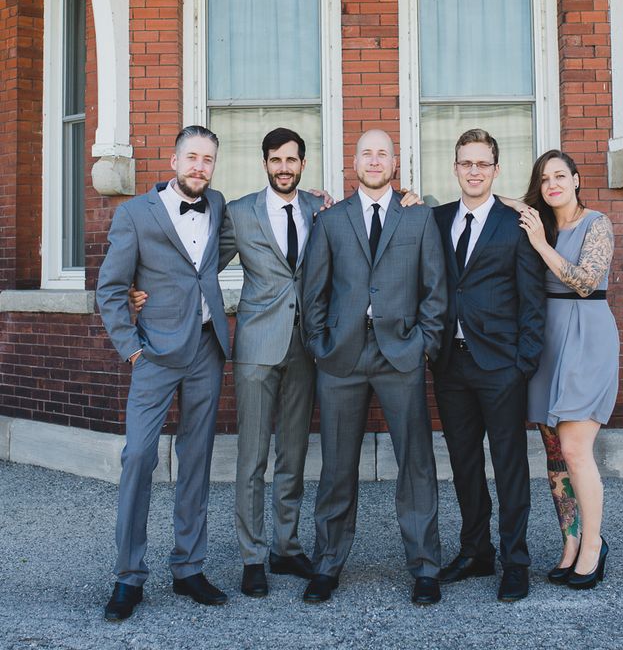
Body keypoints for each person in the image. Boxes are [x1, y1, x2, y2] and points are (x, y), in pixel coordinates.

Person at [301, 129, 447, 606]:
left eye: (383, 153)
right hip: (341, 356)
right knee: (337, 466)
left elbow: (434, 289)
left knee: (416, 464)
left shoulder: (419, 218)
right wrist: (320, 345)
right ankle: (327, 565)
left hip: (400, 353)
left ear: (394, 162)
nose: (374, 160)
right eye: (366, 153)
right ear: (355, 162)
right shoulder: (331, 220)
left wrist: (425, 343)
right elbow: (314, 292)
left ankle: (425, 567)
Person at [96, 126, 231, 622]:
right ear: (174, 161)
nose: (199, 166)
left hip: (206, 351)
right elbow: (110, 288)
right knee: (138, 457)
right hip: (153, 353)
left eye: (208, 159)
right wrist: (132, 349)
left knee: (197, 459)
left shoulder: (218, 205)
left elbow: (242, 242)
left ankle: (188, 567)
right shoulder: (135, 213)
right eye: (191, 157)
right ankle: (128, 575)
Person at [432, 128, 546, 603]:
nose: (474, 171)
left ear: (496, 170)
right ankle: (476, 550)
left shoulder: (515, 223)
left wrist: (524, 362)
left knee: (509, 465)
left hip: (501, 366)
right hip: (449, 365)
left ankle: (515, 561)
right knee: (463, 464)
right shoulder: (435, 221)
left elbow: (532, 299)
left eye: (483, 163)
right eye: (466, 163)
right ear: (455, 168)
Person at [217, 127, 323, 598]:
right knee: (253, 456)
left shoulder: (320, 210)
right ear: (265, 163)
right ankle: (252, 555)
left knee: (294, 454)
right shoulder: (239, 213)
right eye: (276, 160)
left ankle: (286, 545)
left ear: (302, 164)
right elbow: (199, 264)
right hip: (257, 347)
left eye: (292, 160)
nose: (284, 167)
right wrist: (146, 288)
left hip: (306, 348)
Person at [518, 149, 619, 590]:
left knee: (576, 450)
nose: (552, 184)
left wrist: (541, 244)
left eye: (560, 175)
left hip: (587, 337)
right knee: (555, 456)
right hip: (547, 342)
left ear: (577, 179)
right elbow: (489, 197)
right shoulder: (541, 221)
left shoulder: (597, 224)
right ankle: (571, 543)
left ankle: (594, 546)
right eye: (544, 179)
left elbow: (585, 282)